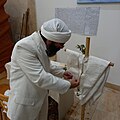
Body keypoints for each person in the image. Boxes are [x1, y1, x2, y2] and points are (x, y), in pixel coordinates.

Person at [7, 18, 80, 120]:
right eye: (60, 44)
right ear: (50, 40)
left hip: (39, 98)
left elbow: (47, 65)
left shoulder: (42, 44)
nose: (62, 47)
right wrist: (68, 85)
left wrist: (62, 73)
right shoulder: (24, 47)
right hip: (24, 103)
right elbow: (41, 77)